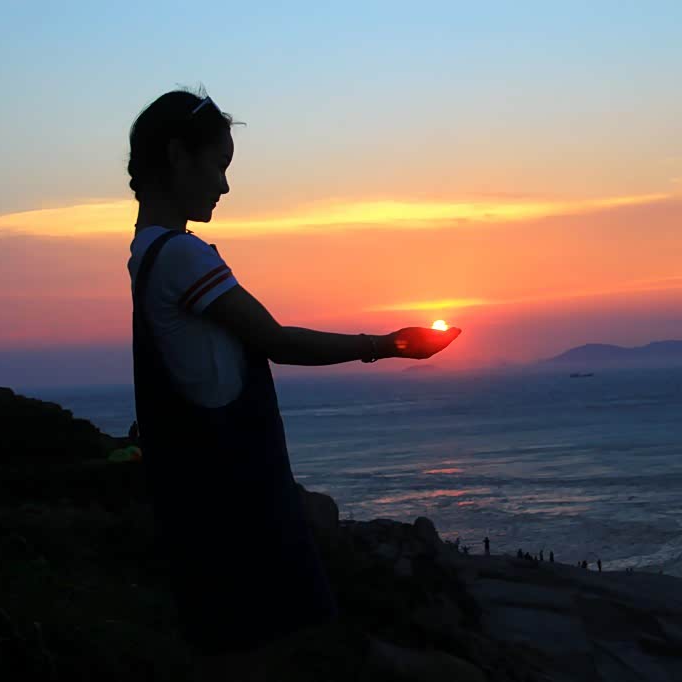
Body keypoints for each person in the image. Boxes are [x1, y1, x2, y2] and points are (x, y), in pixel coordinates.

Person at [126, 87, 462, 680]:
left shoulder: (145, 254)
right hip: (239, 502)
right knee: (304, 650)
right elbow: (276, 341)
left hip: (206, 504)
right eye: (219, 166)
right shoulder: (181, 256)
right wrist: (386, 345)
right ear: (178, 156)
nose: (225, 186)